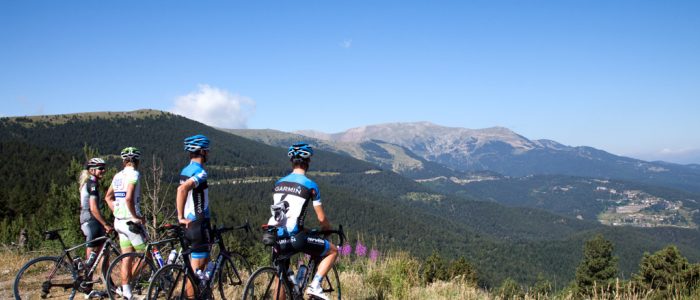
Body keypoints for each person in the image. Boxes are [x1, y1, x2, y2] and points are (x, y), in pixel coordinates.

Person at [268, 142, 338, 300]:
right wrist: (327, 229)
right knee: (333, 251)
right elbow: (321, 219)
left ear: (291, 161)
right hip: (296, 238)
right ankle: (315, 286)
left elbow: (285, 214)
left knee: (281, 279)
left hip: (276, 237)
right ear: (308, 162)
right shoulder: (311, 185)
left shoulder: (279, 183)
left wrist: (304, 228)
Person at [105, 147, 146, 300]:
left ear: (124, 161)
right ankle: (127, 284)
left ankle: (126, 292)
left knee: (126, 257)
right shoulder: (134, 174)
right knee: (146, 254)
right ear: (136, 161)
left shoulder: (117, 176)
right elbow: (129, 198)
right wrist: (137, 217)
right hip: (130, 222)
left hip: (119, 222)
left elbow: (108, 197)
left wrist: (116, 210)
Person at [176, 134, 212, 298]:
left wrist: (181, 217)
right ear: (203, 151)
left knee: (196, 266)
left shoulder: (185, 170)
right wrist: (180, 216)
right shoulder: (200, 172)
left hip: (190, 224)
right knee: (197, 270)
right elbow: (182, 190)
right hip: (198, 223)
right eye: (207, 151)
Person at [79, 157, 113, 298]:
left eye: (103, 167)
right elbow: (93, 208)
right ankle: (87, 288)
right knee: (91, 259)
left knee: (101, 255)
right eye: (100, 168)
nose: (103, 170)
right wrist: (105, 224)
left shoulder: (90, 183)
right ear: (92, 170)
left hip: (91, 221)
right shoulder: (91, 184)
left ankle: (108, 286)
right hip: (91, 221)